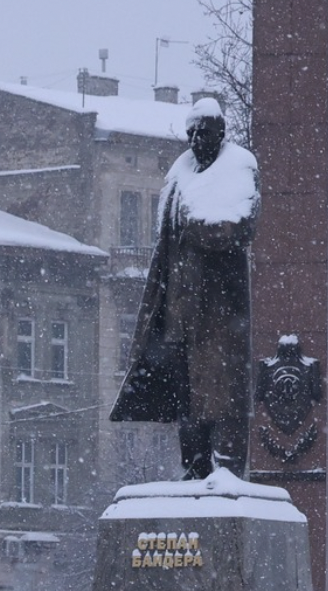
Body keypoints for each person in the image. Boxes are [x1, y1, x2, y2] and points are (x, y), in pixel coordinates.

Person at [111, 96, 261, 479]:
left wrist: (195, 219)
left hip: (219, 316)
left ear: (221, 133)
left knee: (222, 398)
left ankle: (225, 471)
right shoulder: (179, 174)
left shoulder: (239, 167)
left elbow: (235, 227)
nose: (197, 140)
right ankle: (193, 468)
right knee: (187, 402)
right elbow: (166, 242)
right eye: (192, 132)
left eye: (204, 132)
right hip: (177, 313)